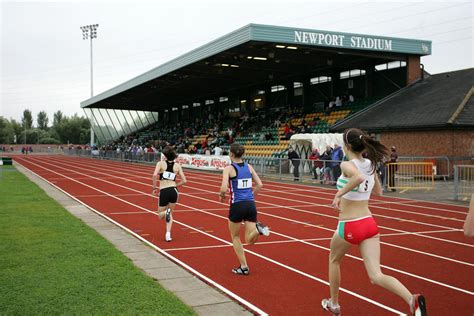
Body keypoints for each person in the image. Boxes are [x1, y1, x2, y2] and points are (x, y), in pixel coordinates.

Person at [321, 128, 427, 316]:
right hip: (369, 223)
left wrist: (338, 193)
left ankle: (334, 304)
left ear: (346, 146)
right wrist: (373, 174)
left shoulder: (347, 164)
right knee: (376, 275)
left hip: (349, 224)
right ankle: (412, 300)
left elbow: (358, 177)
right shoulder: (370, 163)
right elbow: (379, 192)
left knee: (334, 260)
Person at [219, 143, 270, 275]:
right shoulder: (249, 167)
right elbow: (260, 184)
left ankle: (244, 266)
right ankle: (258, 231)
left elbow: (224, 188)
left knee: (235, 237)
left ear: (231, 154)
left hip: (237, 205)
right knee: (249, 240)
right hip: (250, 205)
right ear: (243, 154)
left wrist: (222, 196)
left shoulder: (228, 169)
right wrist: (251, 196)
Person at [152, 146, 187, 242]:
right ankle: (168, 234)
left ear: (165, 156)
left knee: (160, 215)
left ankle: (166, 214)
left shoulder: (160, 163)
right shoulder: (177, 166)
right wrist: (175, 185)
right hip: (174, 191)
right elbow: (184, 181)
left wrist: (154, 187)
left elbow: (154, 175)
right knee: (170, 214)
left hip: (164, 191)